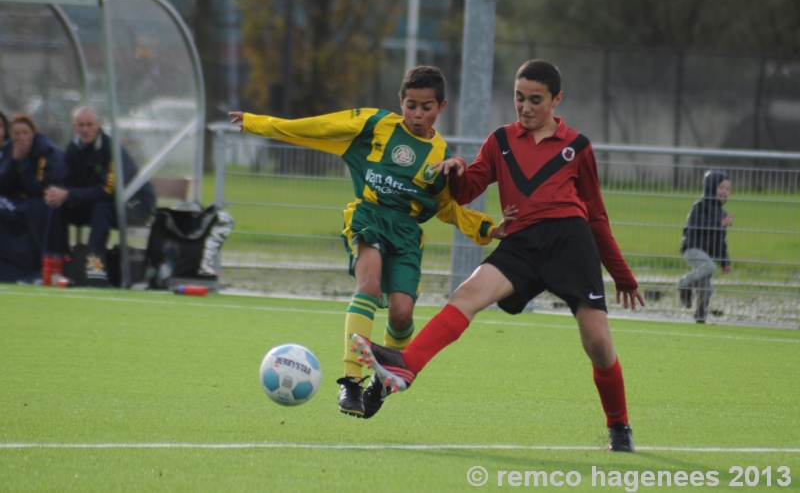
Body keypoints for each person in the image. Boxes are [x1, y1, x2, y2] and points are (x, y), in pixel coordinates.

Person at [351, 59, 646, 452]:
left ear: (557, 100)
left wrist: (622, 275)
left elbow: (596, 217)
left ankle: (619, 426)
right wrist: (456, 170)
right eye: (519, 98)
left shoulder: (578, 147)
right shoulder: (500, 141)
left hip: (570, 242)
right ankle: (406, 366)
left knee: (597, 342)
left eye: (535, 100)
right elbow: (466, 191)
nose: (525, 107)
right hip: (521, 244)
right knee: (465, 296)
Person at [230, 65, 509, 419]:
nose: (417, 114)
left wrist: (486, 228)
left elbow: (448, 209)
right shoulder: (375, 124)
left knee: (402, 312)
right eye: (410, 105)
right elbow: (319, 127)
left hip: (406, 233)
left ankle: (383, 379)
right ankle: (351, 380)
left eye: (426, 107)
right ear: (400, 102)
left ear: (442, 107)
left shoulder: (440, 155)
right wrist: (258, 122)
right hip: (369, 217)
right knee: (369, 283)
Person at [45, 107, 156, 285]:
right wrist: (58, 194)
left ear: (98, 125)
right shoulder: (73, 149)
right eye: (81, 125)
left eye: (90, 124)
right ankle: (56, 266)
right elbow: (67, 182)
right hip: (102, 204)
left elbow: (106, 192)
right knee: (58, 207)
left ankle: (92, 268)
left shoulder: (112, 150)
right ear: (74, 127)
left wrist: (69, 194)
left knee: (101, 209)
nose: (85, 129)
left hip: (134, 205)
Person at [0, 114, 64, 282]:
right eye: (16, 133)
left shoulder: (45, 151)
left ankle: (37, 269)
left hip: (45, 201)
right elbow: (3, 185)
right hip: (20, 200)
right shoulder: (9, 149)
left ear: (33, 133)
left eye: (24, 133)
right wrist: (14, 160)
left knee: (37, 209)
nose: (20, 138)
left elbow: (40, 189)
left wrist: (23, 162)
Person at [677, 170, 733, 323]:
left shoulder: (722, 213)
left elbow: (720, 241)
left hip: (705, 253)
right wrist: (719, 224)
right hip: (692, 248)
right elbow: (697, 225)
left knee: (706, 288)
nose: (724, 192)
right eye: (721, 187)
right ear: (710, 187)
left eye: (727, 189)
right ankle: (684, 284)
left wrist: (724, 261)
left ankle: (700, 316)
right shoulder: (700, 206)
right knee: (709, 267)